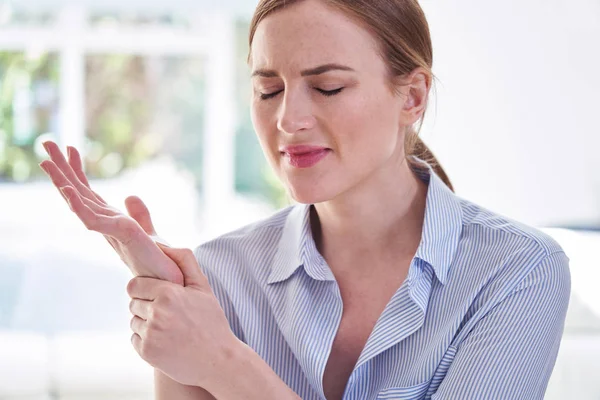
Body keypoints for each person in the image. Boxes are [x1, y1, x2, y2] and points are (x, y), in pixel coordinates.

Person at [39, 0, 571, 399]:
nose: (287, 120)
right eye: (268, 89)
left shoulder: (516, 271)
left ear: (412, 96)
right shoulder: (217, 277)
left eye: (329, 87)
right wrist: (166, 297)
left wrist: (226, 363)